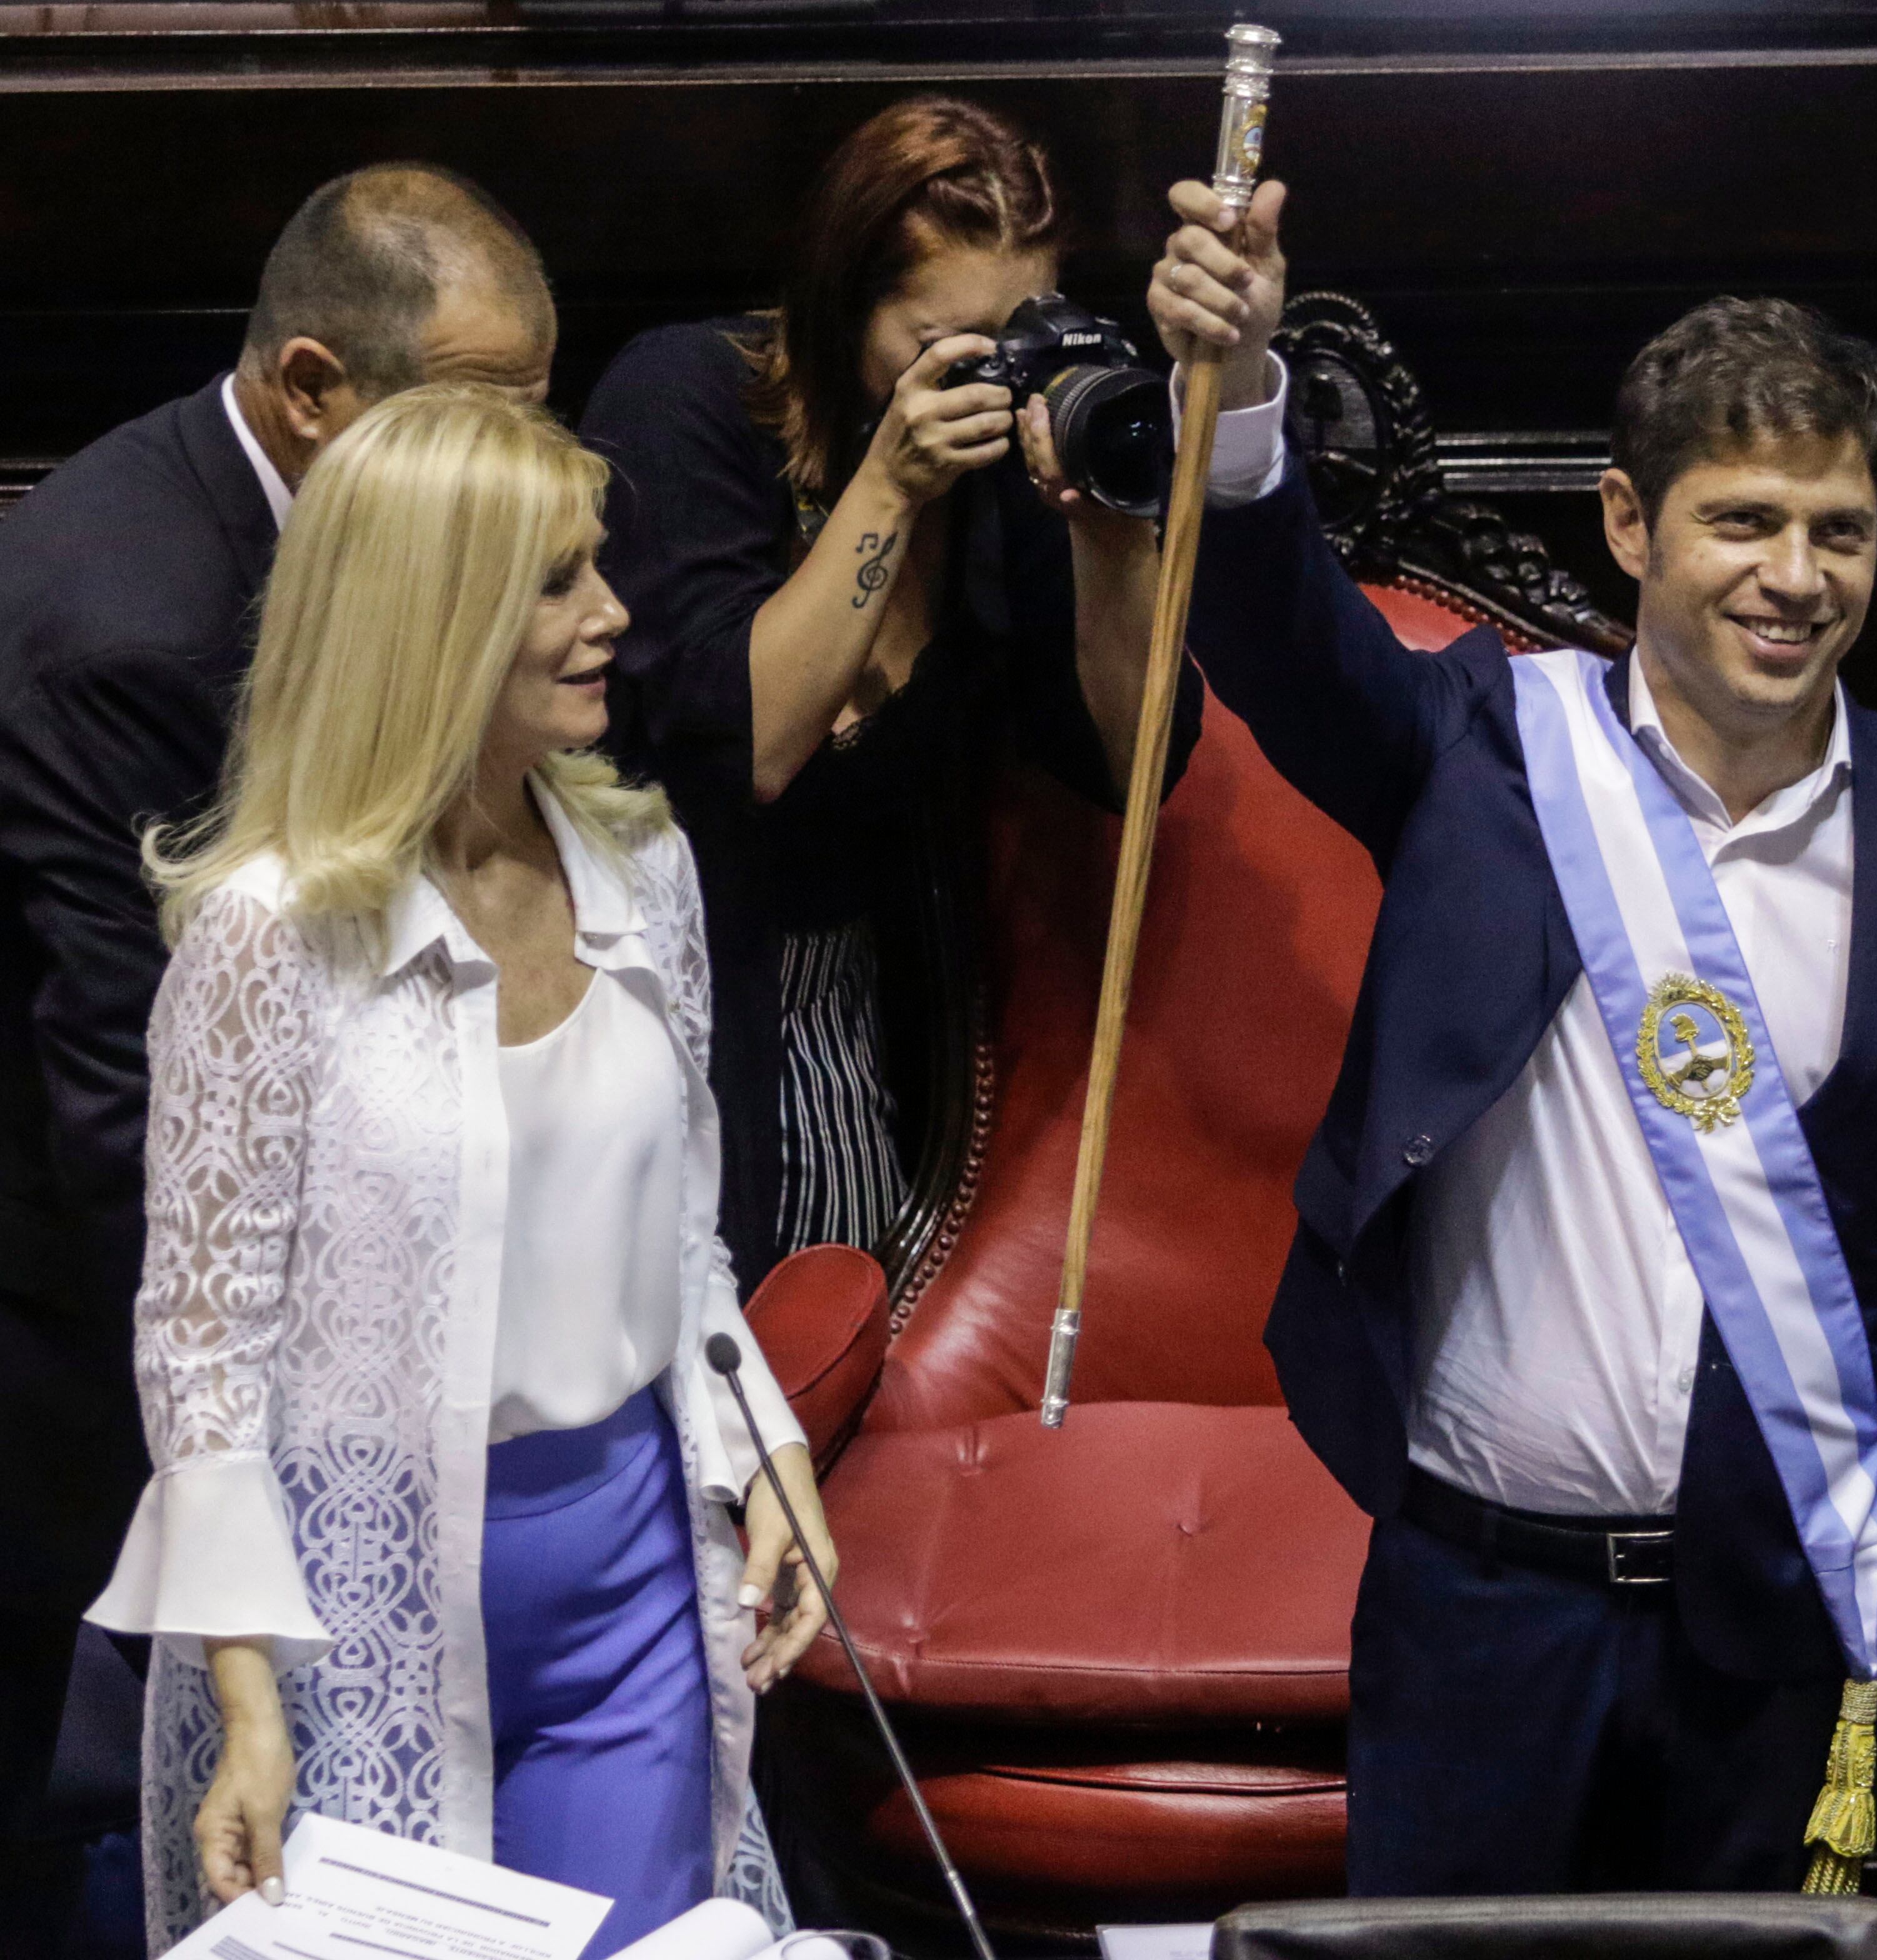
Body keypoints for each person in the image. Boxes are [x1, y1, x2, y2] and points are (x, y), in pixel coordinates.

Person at [1146, 182, 1877, 1894]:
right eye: (1743, 521)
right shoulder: (1479, 752)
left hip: (1788, 1626)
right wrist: (1243, 386)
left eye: (1841, 530)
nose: (1796, 578)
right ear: (1628, 522)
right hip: (1478, 1611)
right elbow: (1277, 633)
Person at [82, 387, 833, 1958]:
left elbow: (686, 1241)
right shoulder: (269, 932)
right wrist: (244, 1698)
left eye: (597, 565)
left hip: (633, 1581)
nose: (612, 611)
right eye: (556, 581)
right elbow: (202, 1353)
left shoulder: (646, 870)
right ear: (431, 617)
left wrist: (769, 1452)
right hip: (354, 1615)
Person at [0, 162, 553, 1932]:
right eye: (479, 411)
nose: (516, 465)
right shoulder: (139, 627)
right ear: (314, 388)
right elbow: (133, 1097)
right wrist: (299, 1412)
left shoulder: (315, 533)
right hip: (76, 1318)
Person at [582, 96, 1194, 1292]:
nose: (987, 374)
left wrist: (1111, 532)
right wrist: (890, 486)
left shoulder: (1006, 463)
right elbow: (750, 751)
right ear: (839, 301)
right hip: (670, 994)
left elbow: (1135, 766)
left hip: (872, 1010)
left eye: (1017, 333)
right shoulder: (685, 396)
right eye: (943, 342)